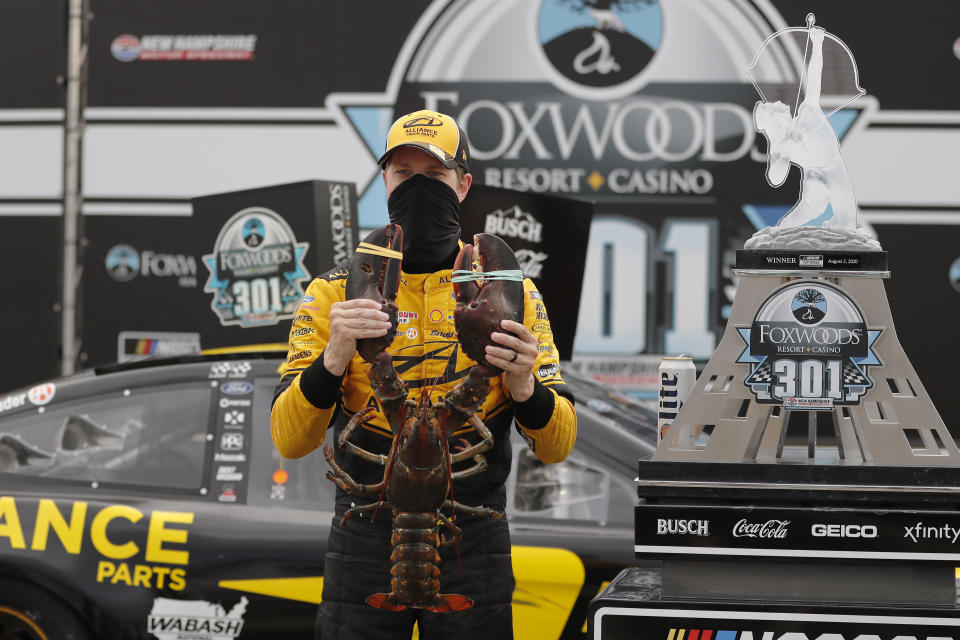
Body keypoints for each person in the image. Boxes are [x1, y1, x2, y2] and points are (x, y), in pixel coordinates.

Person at [270, 109, 577, 639]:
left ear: (463, 185)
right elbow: (289, 440)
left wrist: (525, 386)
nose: (419, 188)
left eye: (434, 176)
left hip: (473, 533)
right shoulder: (333, 292)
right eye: (404, 174)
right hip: (365, 533)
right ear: (384, 181)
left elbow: (556, 447)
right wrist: (335, 355)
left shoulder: (511, 294)